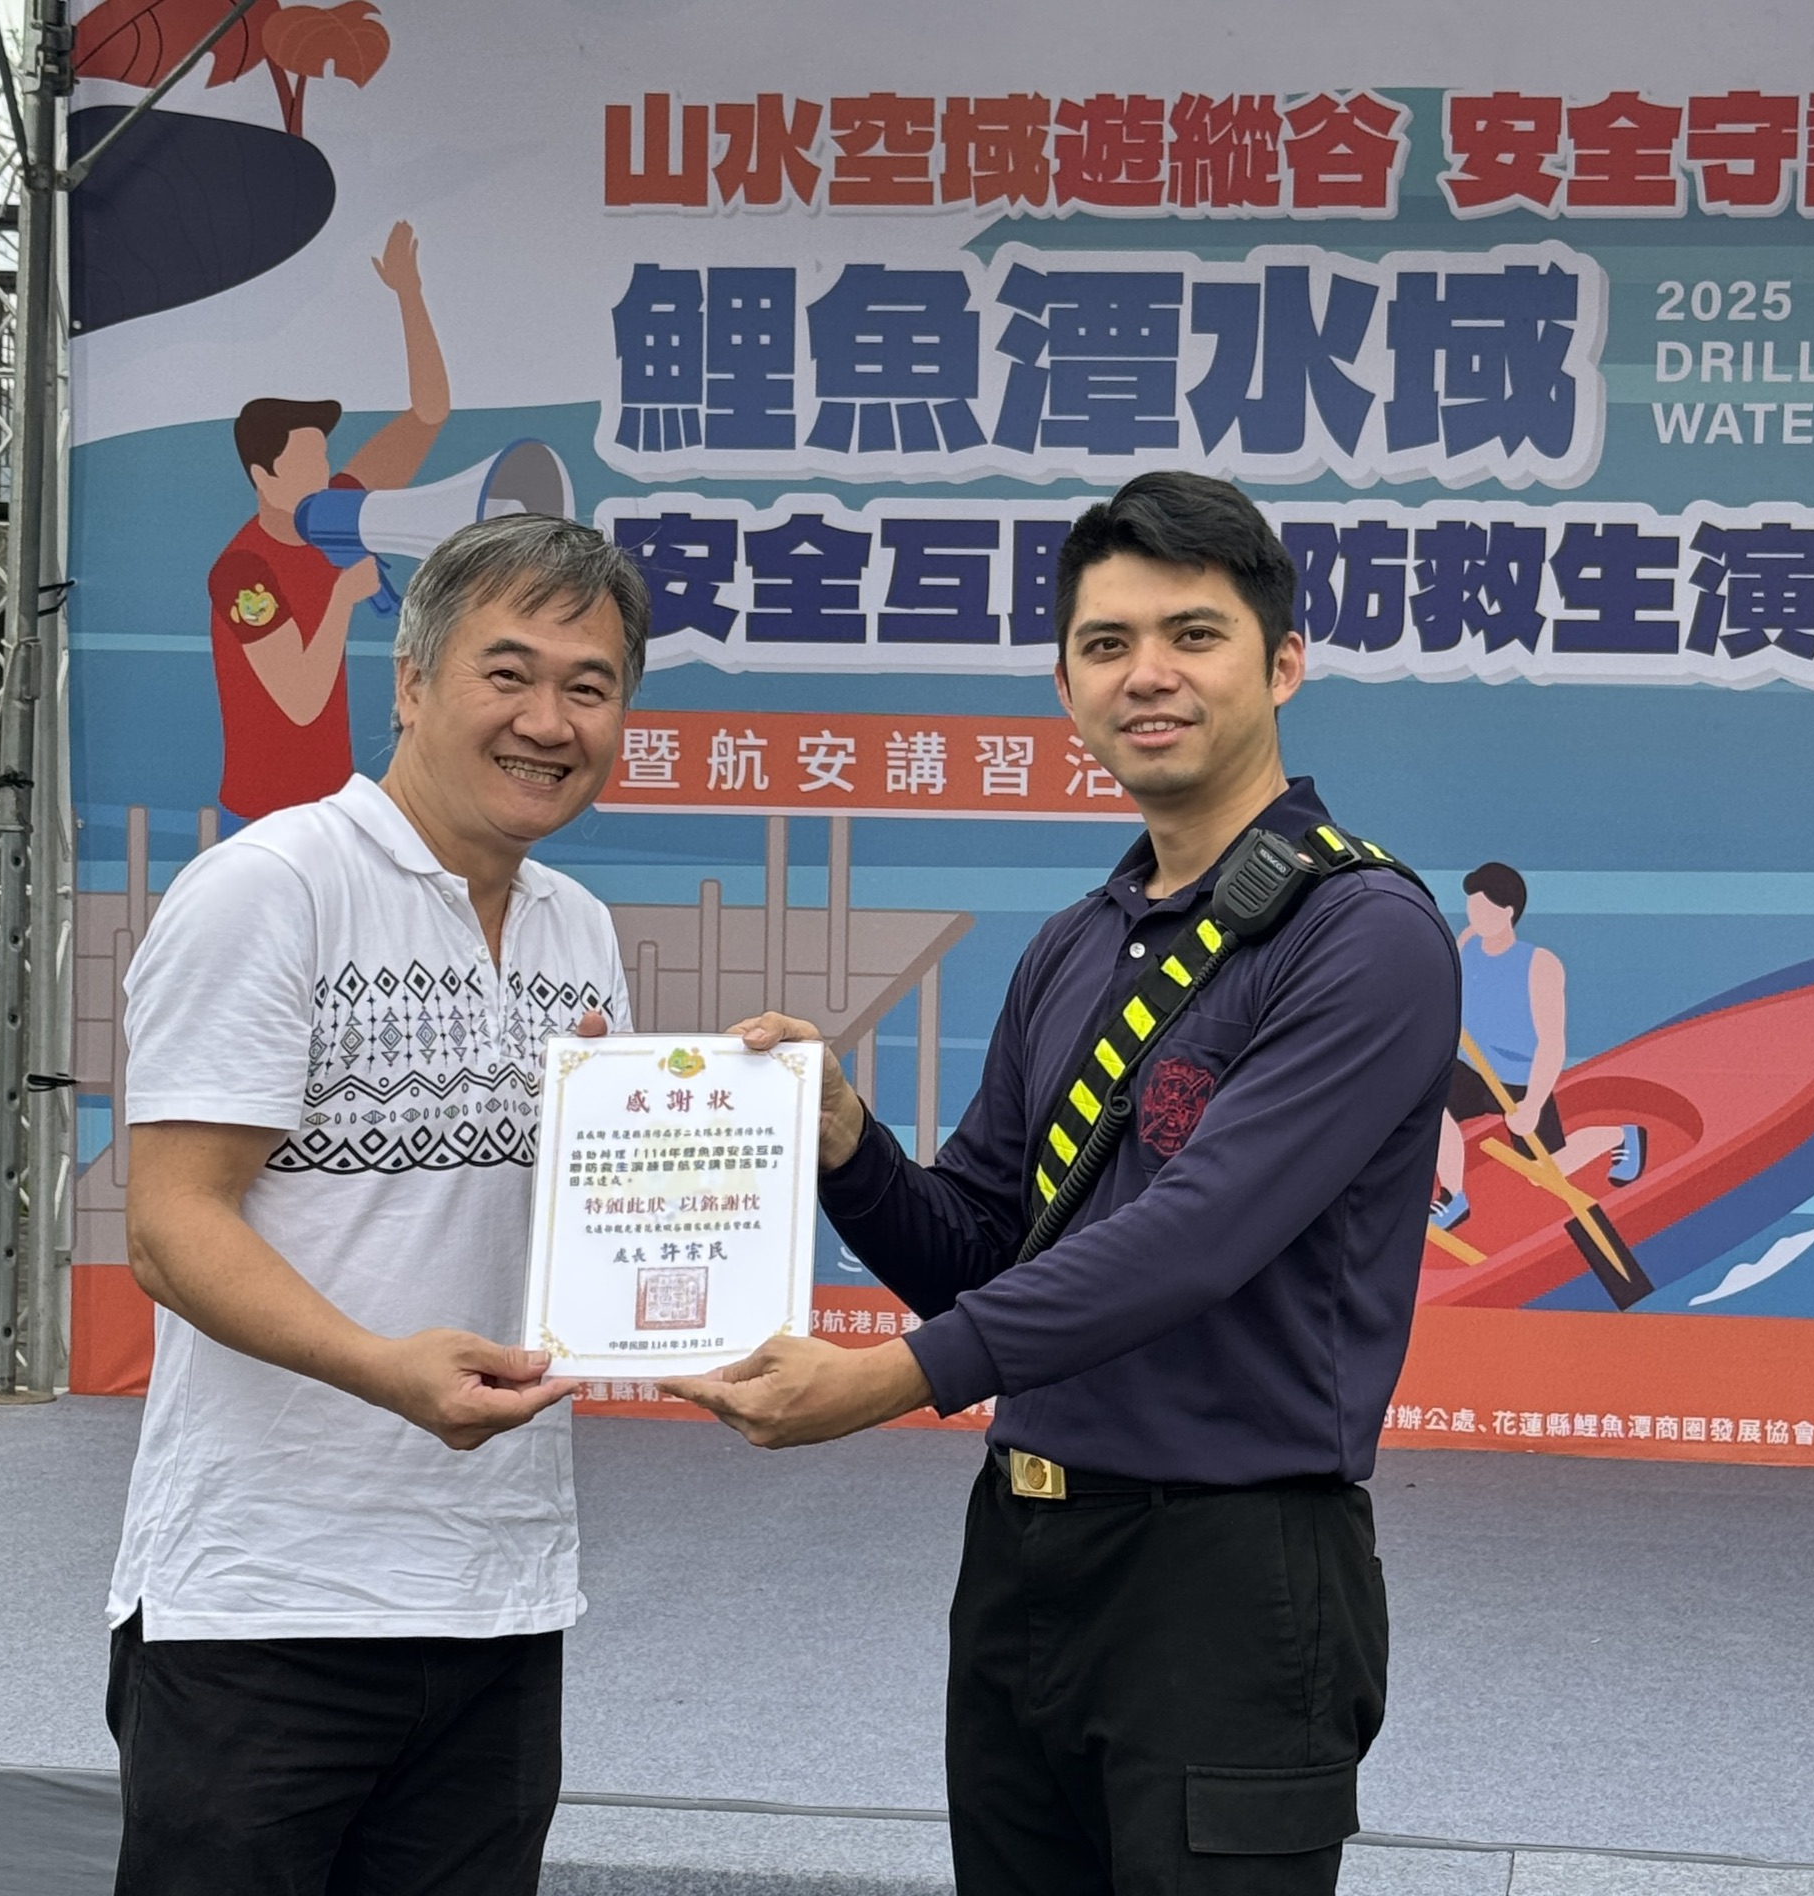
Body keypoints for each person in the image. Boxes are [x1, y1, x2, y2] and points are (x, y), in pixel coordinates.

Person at [663, 472, 1460, 1895]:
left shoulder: (1362, 933)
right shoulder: (1074, 945)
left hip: (1231, 1574)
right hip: (1022, 1555)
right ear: (1064, 688)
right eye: (1106, 644)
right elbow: (979, 1248)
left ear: (1282, 663)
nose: (1146, 674)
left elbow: (1192, 1240)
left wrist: (889, 1379)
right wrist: (844, 1144)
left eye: (1192, 635)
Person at [108, 514, 649, 1894]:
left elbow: (590, 1227)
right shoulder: (271, 889)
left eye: (589, 687)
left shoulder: (578, 929)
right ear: (409, 684)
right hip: (263, 1607)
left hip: (499, 1595)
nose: (548, 722)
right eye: (507, 673)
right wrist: (377, 1367)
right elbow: (172, 1226)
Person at [207, 219, 451, 826]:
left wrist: (409, 295)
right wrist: (343, 596)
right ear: (263, 477)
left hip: (332, 805)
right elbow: (300, 698)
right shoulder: (242, 571)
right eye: (305, 463)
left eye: (322, 459)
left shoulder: (332, 512)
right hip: (262, 815)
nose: (323, 474)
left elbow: (428, 415)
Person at [1430, 860, 1644, 1231]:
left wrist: (1531, 1105)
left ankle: (1621, 1135)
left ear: (1507, 912)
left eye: (1483, 908)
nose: (1474, 915)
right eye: (1472, 907)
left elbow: (1551, 1044)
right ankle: (1454, 1196)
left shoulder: (1540, 965)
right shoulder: (1467, 942)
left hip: (1521, 1080)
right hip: (1472, 1068)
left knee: (1542, 1172)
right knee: (1432, 1108)